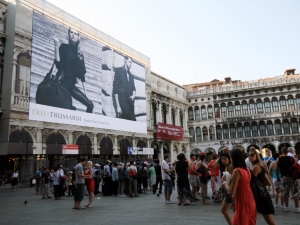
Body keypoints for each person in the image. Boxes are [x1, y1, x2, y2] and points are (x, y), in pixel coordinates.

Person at [53, 28, 93, 113]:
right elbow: (57, 62)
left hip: (71, 86)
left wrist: (86, 94)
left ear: (78, 37)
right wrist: (56, 46)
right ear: (69, 34)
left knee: (90, 105)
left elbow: (82, 76)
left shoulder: (80, 55)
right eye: (71, 32)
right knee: (68, 108)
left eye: (75, 33)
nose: (73, 35)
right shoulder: (64, 47)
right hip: (61, 83)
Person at [221, 148, 257, 225]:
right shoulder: (246, 169)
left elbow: (231, 191)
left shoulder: (237, 171)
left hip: (242, 199)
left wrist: (224, 182)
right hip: (250, 197)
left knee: (240, 221)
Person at [249, 148, 276, 225]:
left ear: (256, 156)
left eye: (252, 155)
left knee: (269, 220)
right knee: (269, 219)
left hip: (260, 196)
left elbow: (252, 182)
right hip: (263, 194)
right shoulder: (260, 166)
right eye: (249, 155)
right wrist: (261, 185)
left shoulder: (256, 167)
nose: (250, 157)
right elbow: (268, 182)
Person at [276, 147, 299, 212]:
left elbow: (276, 169)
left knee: (285, 192)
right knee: (295, 192)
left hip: (284, 177)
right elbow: (296, 166)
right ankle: (297, 208)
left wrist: (278, 176)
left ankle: (286, 207)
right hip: (292, 177)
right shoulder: (292, 158)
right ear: (287, 152)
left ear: (281, 152)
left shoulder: (278, 159)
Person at [113, 56, 136, 121]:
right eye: (129, 62)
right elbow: (115, 90)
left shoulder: (131, 76)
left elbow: (133, 88)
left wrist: (134, 95)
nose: (130, 64)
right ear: (125, 60)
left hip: (130, 104)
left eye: (131, 63)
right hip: (122, 103)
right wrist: (118, 106)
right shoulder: (118, 71)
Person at [219, 153, 235, 224]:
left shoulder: (231, 167)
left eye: (225, 158)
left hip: (231, 190)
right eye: (222, 159)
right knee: (235, 210)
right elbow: (225, 180)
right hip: (228, 189)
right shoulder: (225, 167)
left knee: (224, 210)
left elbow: (233, 179)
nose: (223, 160)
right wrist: (220, 189)